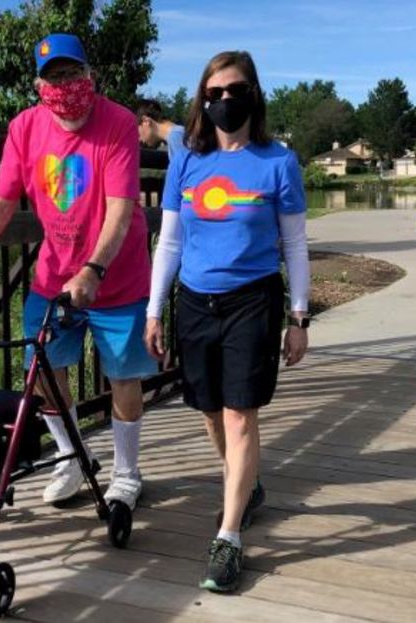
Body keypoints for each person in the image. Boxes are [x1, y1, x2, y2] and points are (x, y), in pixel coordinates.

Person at [0, 33, 156, 511]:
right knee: (43, 369)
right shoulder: (24, 128)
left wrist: (94, 269)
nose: (64, 84)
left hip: (116, 276)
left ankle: (126, 473)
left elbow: (120, 208)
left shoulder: (117, 123)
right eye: (53, 76)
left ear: (88, 74)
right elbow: (0, 201)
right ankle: (71, 456)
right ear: (39, 83)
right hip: (54, 275)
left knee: (122, 373)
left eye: (71, 72)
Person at [144, 50, 310, 593]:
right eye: (212, 94)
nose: (223, 102)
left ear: (253, 94)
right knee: (210, 412)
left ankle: (229, 534)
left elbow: (294, 244)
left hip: (251, 302)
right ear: (202, 100)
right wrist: (153, 308)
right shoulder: (188, 162)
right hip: (195, 301)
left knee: (240, 417)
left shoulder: (277, 161)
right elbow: (168, 241)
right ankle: (246, 482)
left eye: (233, 91)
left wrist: (298, 315)